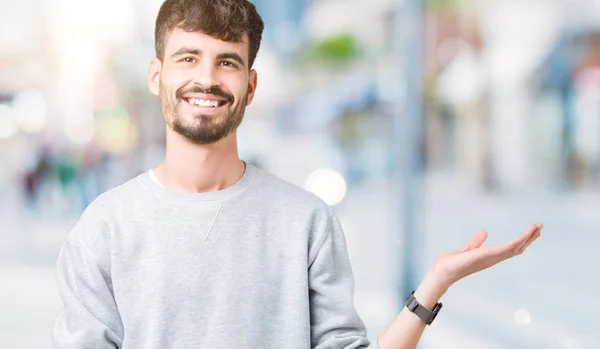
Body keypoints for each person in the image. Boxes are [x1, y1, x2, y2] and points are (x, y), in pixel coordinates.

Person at [51, 0, 542, 348]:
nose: (206, 78)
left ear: (251, 83)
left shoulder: (307, 221)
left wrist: (431, 288)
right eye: (188, 58)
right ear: (157, 75)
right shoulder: (102, 229)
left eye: (227, 62)